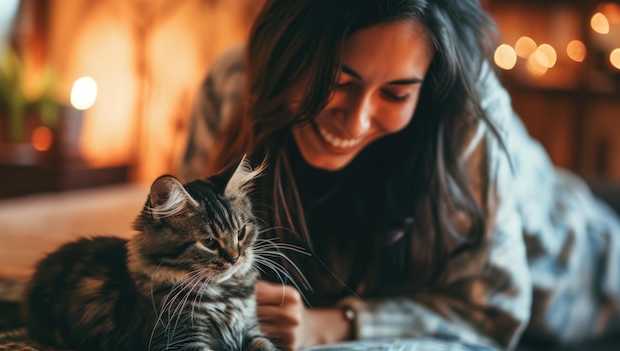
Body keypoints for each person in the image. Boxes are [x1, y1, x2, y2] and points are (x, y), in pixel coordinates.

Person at [180, 1, 620, 350]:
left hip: (587, 258)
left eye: (395, 93)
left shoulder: (468, 107)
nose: (354, 123)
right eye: (337, 81)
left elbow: (493, 313)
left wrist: (334, 324)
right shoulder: (232, 82)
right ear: (287, 56)